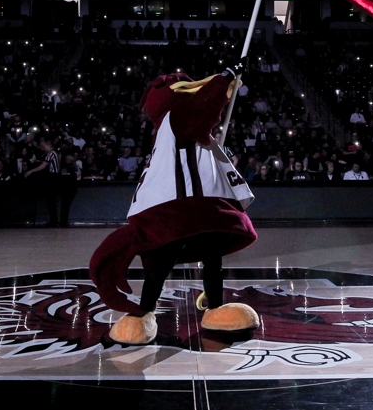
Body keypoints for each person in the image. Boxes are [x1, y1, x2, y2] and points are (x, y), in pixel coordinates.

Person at [89, 67, 258, 345]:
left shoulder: (169, 127)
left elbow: (203, 116)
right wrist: (224, 78)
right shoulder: (177, 117)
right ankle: (144, 311)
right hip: (179, 207)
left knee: (209, 254)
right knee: (166, 258)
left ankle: (213, 306)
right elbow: (204, 107)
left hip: (192, 207)